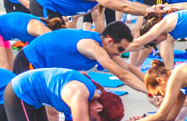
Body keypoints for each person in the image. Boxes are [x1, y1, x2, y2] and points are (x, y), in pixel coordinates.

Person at [14, 24, 145, 93]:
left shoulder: (105, 47)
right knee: (25, 108)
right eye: (120, 49)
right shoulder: (92, 46)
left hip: (44, 68)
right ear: (110, 41)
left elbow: (127, 68)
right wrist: (150, 94)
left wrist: (155, 89)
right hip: (29, 61)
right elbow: (122, 75)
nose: (120, 54)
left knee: (50, 116)